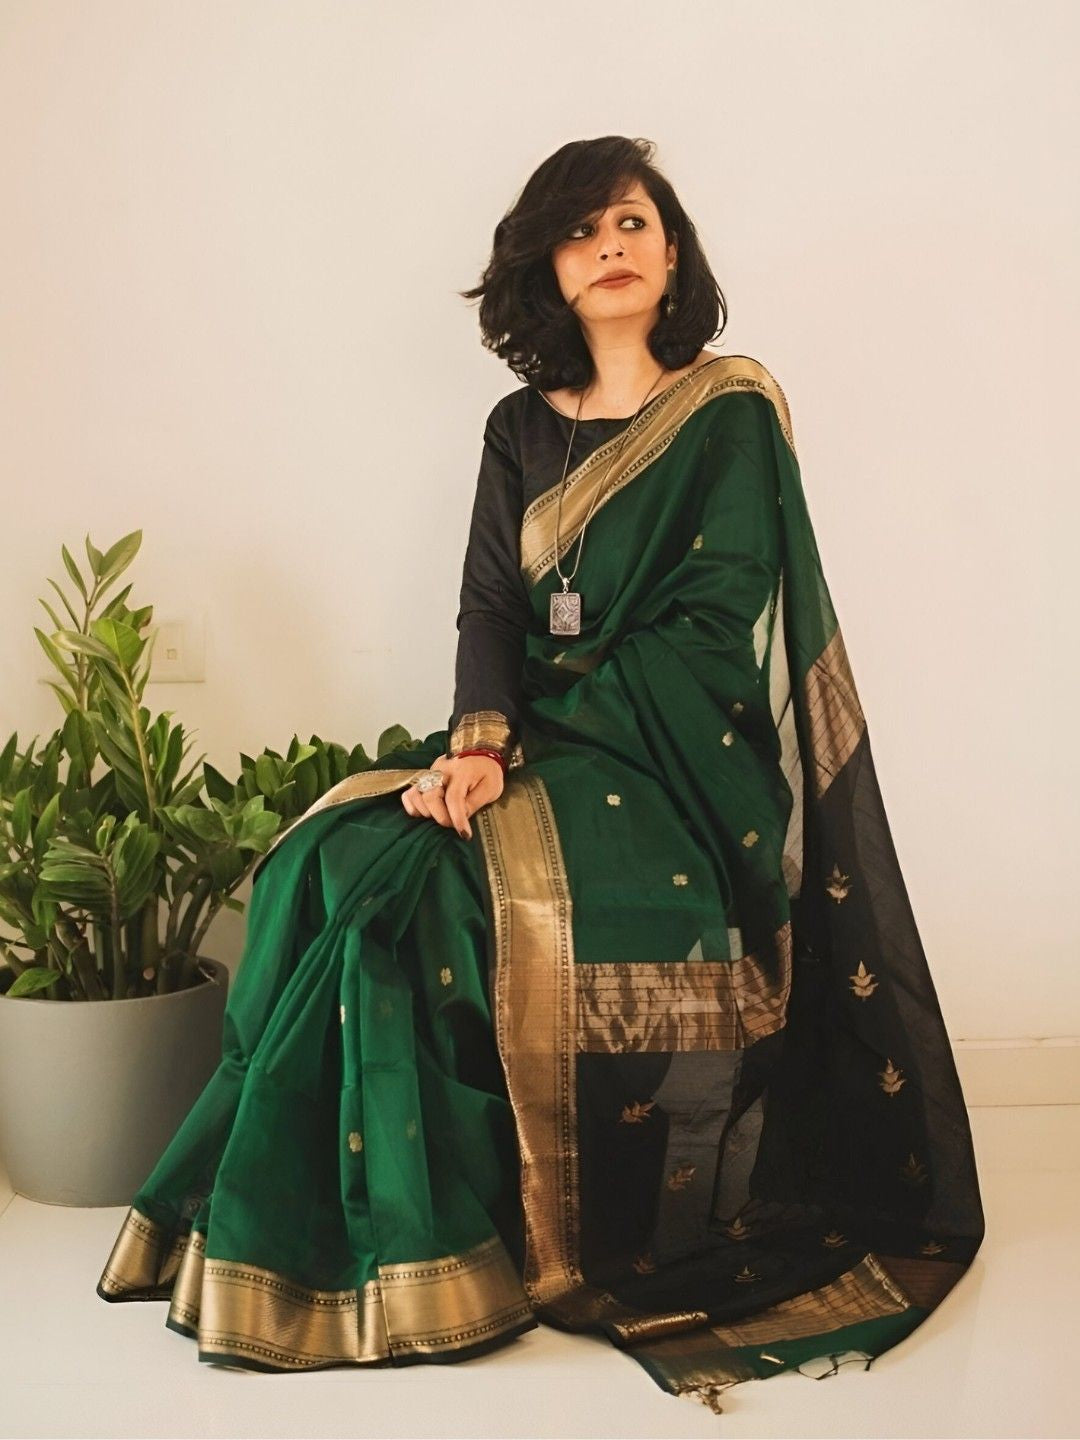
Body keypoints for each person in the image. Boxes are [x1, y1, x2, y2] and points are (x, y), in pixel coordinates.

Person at [96, 135, 985, 1415]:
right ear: (548, 270)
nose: (611, 246)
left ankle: (442, 1247)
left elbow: (708, 627)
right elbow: (488, 609)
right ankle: (369, 1246)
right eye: (582, 231)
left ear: (672, 250)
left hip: (675, 766)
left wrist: (534, 741)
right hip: (529, 740)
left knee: (433, 901)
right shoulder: (519, 428)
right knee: (336, 863)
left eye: (632, 221)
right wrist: (481, 743)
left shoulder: (729, 413)